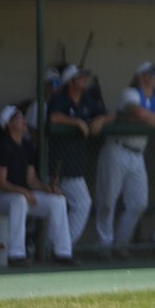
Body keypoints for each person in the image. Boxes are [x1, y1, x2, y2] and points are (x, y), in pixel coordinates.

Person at [94, 62, 155, 257]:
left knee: (139, 202)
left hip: (138, 154)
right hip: (117, 150)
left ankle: (120, 243)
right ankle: (104, 245)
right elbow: (135, 112)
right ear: (141, 77)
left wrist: (150, 120)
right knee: (107, 201)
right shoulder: (130, 93)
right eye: (152, 74)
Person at [0, 105, 76, 266]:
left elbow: (32, 180)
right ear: (9, 124)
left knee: (57, 200)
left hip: (20, 197)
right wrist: (23, 192)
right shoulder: (3, 146)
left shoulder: (28, 146)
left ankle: (63, 253)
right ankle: (16, 254)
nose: (24, 120)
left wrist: (48, 189)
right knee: (19, 200)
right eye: (19, 118)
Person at [46, 64, 114, 248]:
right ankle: (58, 247)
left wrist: (100, 119)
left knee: (80, 204)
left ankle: (60, 246)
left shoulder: (87, 99)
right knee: (63, 206)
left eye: (84, 77)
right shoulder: (59, 98)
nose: (84, 80)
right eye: (80, 77)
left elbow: (110, 115)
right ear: (70, 82)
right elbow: (53, 118)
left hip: (75, 164)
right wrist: (76, 122)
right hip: (55, 164)